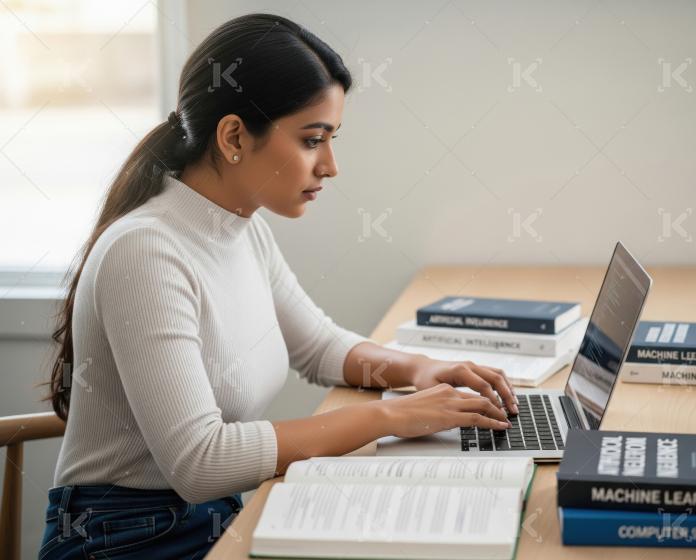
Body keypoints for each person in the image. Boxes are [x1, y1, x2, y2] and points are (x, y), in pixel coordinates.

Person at [39, 13, 517, 559]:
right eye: (313, 140)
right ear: (234, 136)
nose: (331, 166)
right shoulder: (145, 252)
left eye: (332, 139)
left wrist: (419, 370)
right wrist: (388, 416)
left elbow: (316, 346)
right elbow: (201, 462)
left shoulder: (241, 227)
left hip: (212, 518)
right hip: (125, 540)